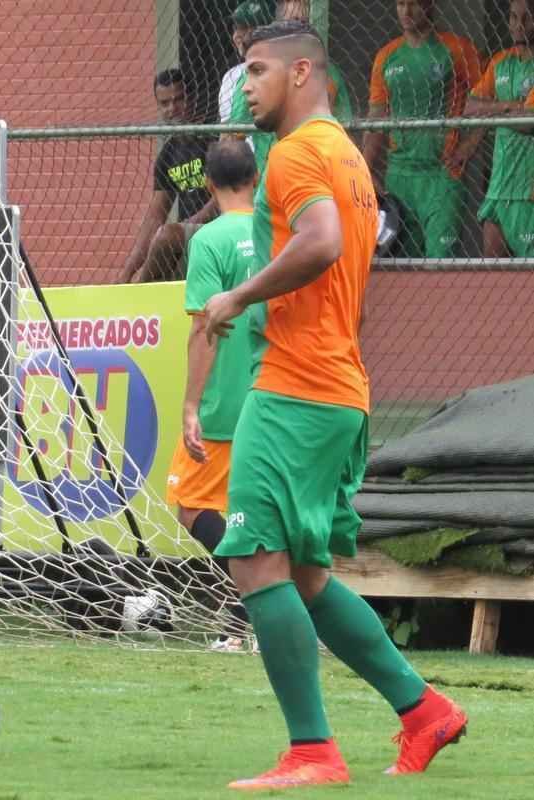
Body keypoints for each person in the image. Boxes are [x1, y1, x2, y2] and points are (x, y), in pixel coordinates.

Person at [201, 21, 466, 790]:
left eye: (255, 70)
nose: (244, 85)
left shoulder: (297, 154)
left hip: (296, 386)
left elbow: (317, 241)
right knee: (306, 576)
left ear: (302, 72)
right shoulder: (346, 153)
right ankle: (422, 712)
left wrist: (238, 295)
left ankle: (311, 752)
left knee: (254, 561)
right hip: (336, 386)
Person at [166, 139, 258, 653]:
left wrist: (190, 406)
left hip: (225, 401)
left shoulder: (209, 240)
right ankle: (241, 622)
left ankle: (263, 604)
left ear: (207, 184)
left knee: (189, 504)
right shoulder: (277, 234)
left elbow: (206, 326)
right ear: (257, 178)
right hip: (272, 393)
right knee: (253, 513)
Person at [362, 0, 483, 258]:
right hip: (399, 175)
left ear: (430, 5)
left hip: (442, 174)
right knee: (401, 265)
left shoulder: (457, 49)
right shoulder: (387, 56)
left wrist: (468, 146)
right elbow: (376, 117)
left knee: (440, 262)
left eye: (414, 4)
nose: (406, 12)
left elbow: (484, 101)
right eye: (401, 4)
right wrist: (364, 169)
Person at [225, 0, 353, 178]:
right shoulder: (243, 78)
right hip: (271, 177)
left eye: (301, 23)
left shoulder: (327, 72)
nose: (242, 36)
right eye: (289, 23)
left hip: (318, 170)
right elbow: (230, 139)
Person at [119, 69, 212, 283]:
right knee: (163, 242)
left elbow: (223, 197)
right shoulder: (169, 154)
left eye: (179, 99)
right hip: (187, 234)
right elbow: (155, 216)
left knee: (167, 237)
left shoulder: (214, 137)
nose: (173, 109)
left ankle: (136, 298)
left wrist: (183, 226)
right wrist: (125, 273)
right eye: (165, 103)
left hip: (218, 227)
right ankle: (129, 290)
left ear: (194, 97)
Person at [464, 0, 534, 258]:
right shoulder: (500, 61)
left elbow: (527, 123)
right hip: (498, 190)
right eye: (513, 18)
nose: (518, 26)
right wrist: (510, 106)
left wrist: (493, 108)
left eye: (526, 18)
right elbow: (470, 107)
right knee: (493, 280)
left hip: (528, 194)